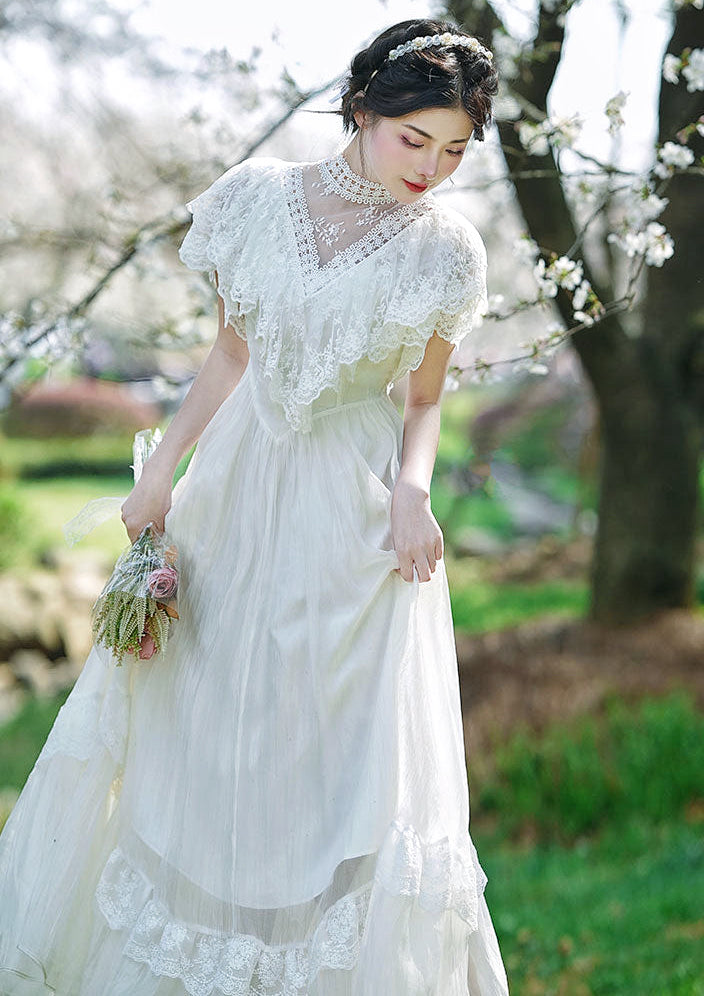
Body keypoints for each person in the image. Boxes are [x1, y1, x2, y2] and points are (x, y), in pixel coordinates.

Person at [0, 16, 510, 996]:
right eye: (415, 140)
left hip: (353, 514)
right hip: (235, 490)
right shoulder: (256, 200)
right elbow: (230, 355)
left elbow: (424, 400)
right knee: (201, 725)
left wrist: (411, 495)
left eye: (453, 151)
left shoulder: (446, 248)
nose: (431, 168)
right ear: (361, 109)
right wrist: (163, 469)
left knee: (335, 750)